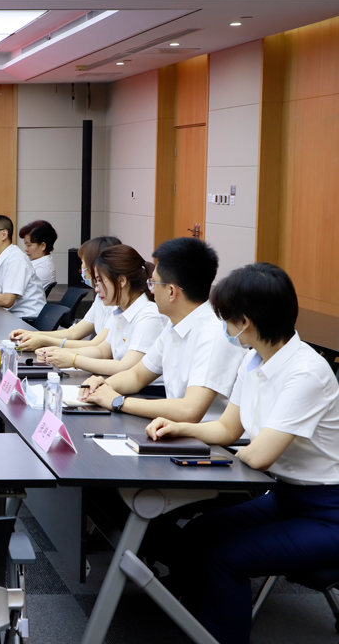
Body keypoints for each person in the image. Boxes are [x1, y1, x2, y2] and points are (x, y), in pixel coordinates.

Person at [145, 263, 339, 644]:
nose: (222, 326)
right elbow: (227, 430)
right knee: (198, 533)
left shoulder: (306, 373)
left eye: (225, 318)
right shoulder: (253, 360)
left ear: (245, 322)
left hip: (327, 512)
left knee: (226, 558)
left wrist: (231, 453)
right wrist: (179, 428)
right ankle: (192, 625)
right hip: (287, 497)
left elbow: (260, 455)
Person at [79, 237, 243, 421]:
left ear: (171, 292)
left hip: (202, 436)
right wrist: (103, 385)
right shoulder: (174, 325)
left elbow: (189, 410)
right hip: (174, 429)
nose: (151, 291)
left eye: (154, 284)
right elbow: (137, 376)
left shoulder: (213, 333)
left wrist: (118, 401)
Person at [35, 245, 166, 376]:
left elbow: (125, 367)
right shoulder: (120, 311)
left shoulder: (149, 316)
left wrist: (74, 359)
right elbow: (101, 351)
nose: (96, 289)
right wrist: (57, 352)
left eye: (99, 281)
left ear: (121, 281)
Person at [11, 235, 122, 351]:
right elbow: (74, 332)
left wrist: (44, 340)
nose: (81, 268)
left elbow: (97, 346)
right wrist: (33, 334)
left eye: (82, 262)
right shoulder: (100, 298)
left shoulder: (118, 304)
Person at [19, 219, 57, 291]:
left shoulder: (42, 269)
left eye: (29, 245)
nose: (25, 249)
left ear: (43, 246)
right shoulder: (32, 260)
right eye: (25, 244)